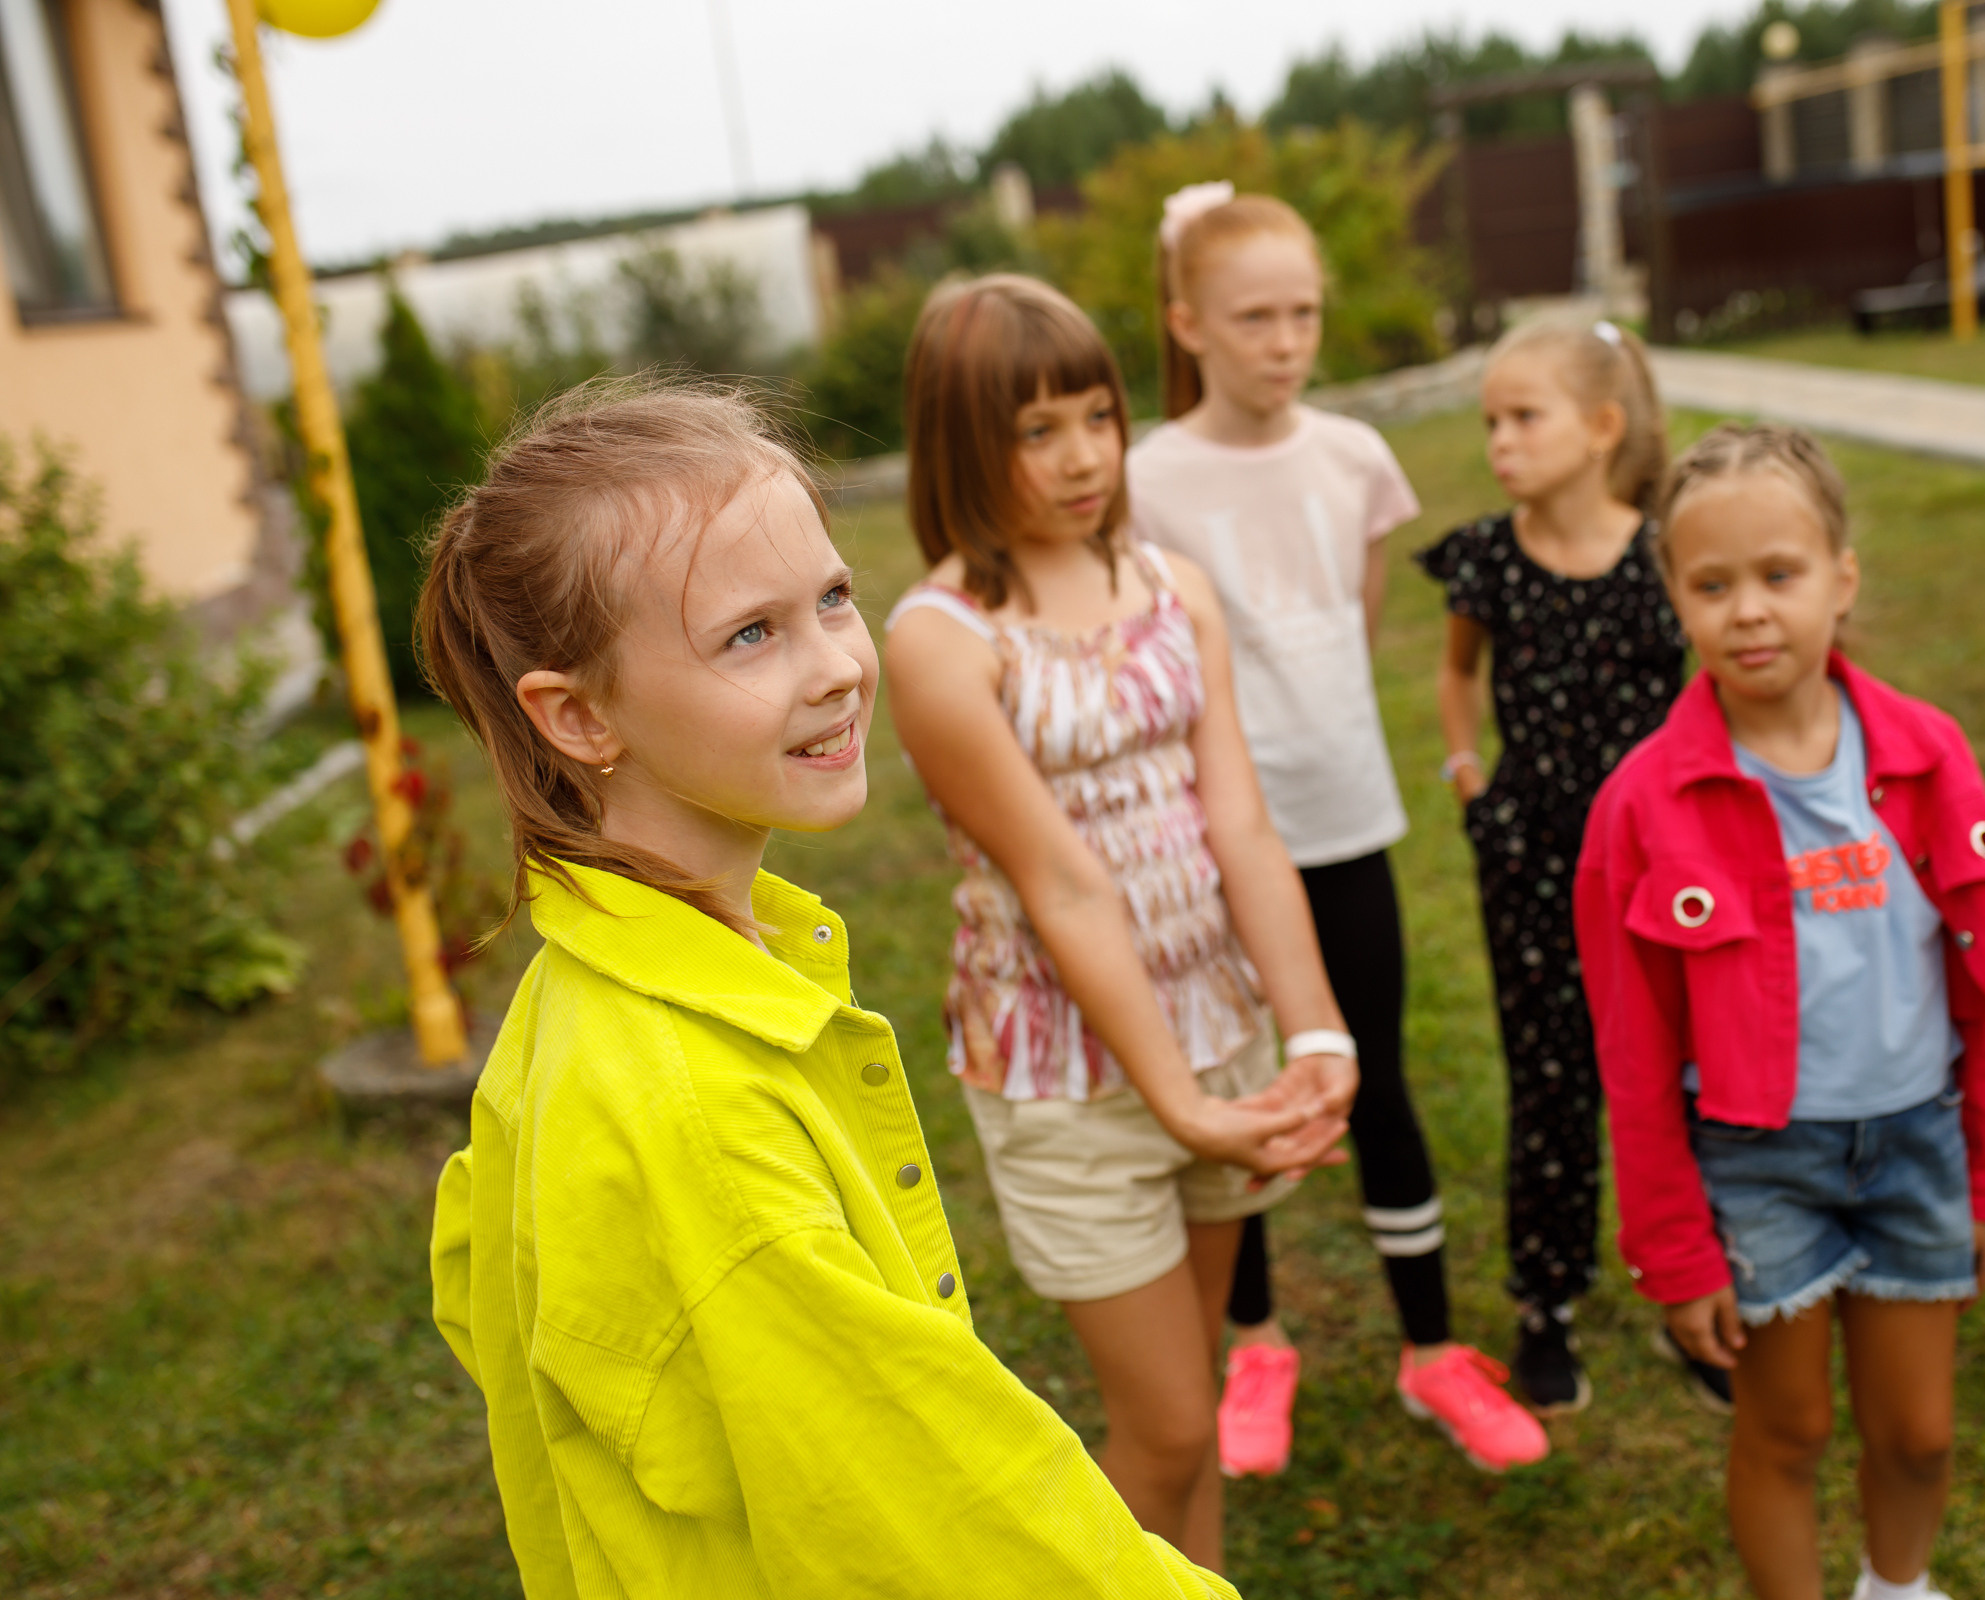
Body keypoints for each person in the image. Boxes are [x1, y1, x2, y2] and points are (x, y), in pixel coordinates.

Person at [419, 380, 1238, 1598]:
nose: (837, 668)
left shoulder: (587, 995)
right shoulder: (700, 1114)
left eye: (834, 600)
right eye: (750, 633)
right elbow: (943, 1526)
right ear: (581, 715)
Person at [880, 274, 1358, 1569]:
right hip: (1071, 1080)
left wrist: (1316, 1037)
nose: (1086, 455)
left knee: (1191, 1423)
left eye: (1097, 414)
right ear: (963, 444)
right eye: (1038, 430)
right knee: (1153, 1437)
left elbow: (1244, 830)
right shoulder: (941, 642)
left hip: (1216, 1034)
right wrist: (1183, 1104)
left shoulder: (1171, 589)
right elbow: (1065, 886)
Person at [1574, 424, 1985, 1600]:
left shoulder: (1930, 757)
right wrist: (1674, 1247)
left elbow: (1984, 990)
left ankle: (1897, 1585)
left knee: (1922, 1432)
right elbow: (1633, 1064)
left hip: (1916, 1142)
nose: (1749, 610)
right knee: (1784, 1431)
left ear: (1843, 577)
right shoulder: (1641, 809)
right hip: (1760, 1165)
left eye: (1779, 574)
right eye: (1712, 583)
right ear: (1675, 600)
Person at [1127, 182, 1547, 1476]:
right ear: (1188, 322)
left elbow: (1357, 625)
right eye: (1255, 316)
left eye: (1303, 312)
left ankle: (1430, 1353)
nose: (1286, 340)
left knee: (1375, 1079)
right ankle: (1258, 1345)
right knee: (1248, 1088)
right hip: (1214, 843)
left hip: (1348, 818)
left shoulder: (1358, 458)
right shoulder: (1143, 479)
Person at [1416, 314, 1692, 1417]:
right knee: (1552, 1076)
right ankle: (1546, 1301)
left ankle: (1693, 1288)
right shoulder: (1489, 557)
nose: (1501, 440)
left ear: (1602, 426)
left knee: (1681, 1067)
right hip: (1532, 857)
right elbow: (1455, 675)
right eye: (1490, 420)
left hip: (1663, 857)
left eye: (1524, 416)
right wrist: (1468, 773)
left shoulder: (1668, 553)